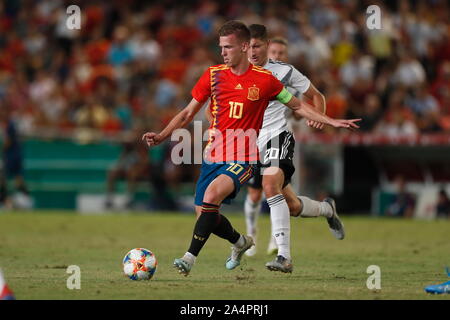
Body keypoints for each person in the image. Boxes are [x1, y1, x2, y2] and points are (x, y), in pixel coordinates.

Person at [142, 21, 360, 277]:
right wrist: (164, 135)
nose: (224, 52)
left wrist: (329, 119)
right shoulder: (214, 75)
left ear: (248, 47)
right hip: (223, 152)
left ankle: (201, 258)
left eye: (229, 47)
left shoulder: (272, 77)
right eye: (221, 47)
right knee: (214, 213)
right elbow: (189, 113)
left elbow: (303, 104)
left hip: (260, 147)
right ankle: (244, 240)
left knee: (244, 192)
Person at [234, 25, 346, 265]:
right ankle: (327, 209)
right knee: (292, 205)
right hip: (251, 144)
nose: (252, 51)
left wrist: (317, 117)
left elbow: (316, 95)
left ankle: (283, 254)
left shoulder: (284, 72)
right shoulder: (236, 72)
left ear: (266, 46)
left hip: (279, 136)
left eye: (257, 46)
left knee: (268, 185)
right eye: (248, 46)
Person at [0, 108, 30, 209]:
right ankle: (26, 198)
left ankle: (4, 201)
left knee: (3, 177)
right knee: (18, 178)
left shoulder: (10, 126)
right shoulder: (12, 125)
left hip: (11, 156)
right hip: (16, 155)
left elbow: (8, 141)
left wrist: (3, 149)